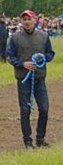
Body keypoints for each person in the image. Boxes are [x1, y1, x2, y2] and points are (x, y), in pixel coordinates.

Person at [7, 9, 53, 149]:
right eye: (24, 19)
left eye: (29, 19)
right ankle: (27, 141)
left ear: (34, 20)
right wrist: (22, 64)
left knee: (44, 109)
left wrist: (43, 58)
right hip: (24, 79)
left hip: (39, 78)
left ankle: (40, 138)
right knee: (25, 110)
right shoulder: (15, 38)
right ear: (21, 21)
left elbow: (50, 53)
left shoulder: (44, 36)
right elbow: (9, 56)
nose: (27, 22)